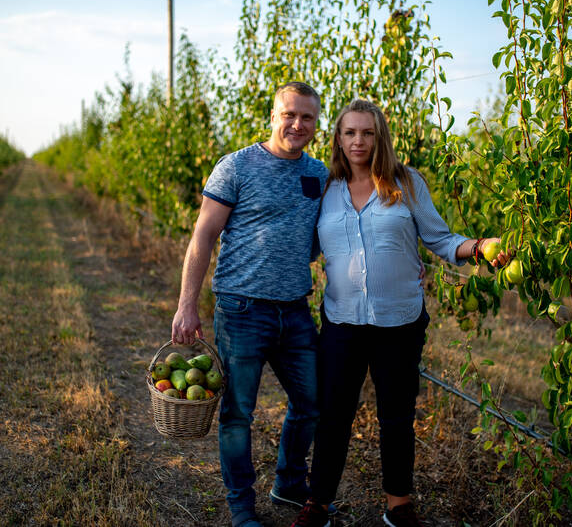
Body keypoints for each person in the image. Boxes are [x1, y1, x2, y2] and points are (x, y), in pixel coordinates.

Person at [290, 99, 509, 527]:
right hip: (342, 322)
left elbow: (441, 239)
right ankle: (318, 503)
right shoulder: (324, 189)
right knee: (334, 415)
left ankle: (398, 505)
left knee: (397, 416)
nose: (358, 141)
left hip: (399, 322)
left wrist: (480, 246)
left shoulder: (406, 183)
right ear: (338, 139)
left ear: (380, 137)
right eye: (350, 132)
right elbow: (305, 245)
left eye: (367, 133)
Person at [171, 82, 330, 527]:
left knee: (312, 403)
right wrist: (187, 304)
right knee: (238, 413)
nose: (297, 124)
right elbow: (203, 236)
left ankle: (289, 483)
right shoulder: (237, 166)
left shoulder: (319, 175)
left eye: (307, 117)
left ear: (316, 123)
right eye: (289, 114)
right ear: (273, 115)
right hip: (242, 310)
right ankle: (241, 505)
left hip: (295, 310)